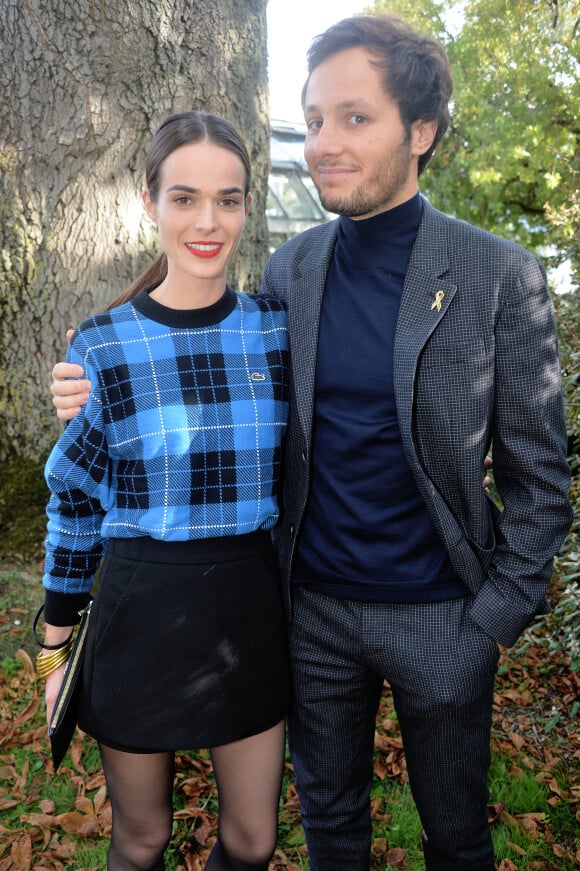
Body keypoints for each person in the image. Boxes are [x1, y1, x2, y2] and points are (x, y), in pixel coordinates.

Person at [50, 13, 573, 871]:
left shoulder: (496, 275)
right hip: (309, 614)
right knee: (331, 831)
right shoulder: (295, 267)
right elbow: (200, 345)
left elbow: (540, 479)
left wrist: (491, 626)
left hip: (443, 613)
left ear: (422, 130)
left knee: (457, 834)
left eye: (354, 118)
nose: (324, 141)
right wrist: (88, 374)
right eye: (316, 117)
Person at [37, 109, 291, 871]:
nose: (207, 221)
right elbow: (75, 496)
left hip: (247, 611)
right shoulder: (102, 342)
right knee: (140, 838)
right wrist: (54, 649)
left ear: (249, 205)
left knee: (253, 839)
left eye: (228, 198)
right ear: (150, 202)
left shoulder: (276, 330)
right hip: (140, 609)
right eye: (184, 198)